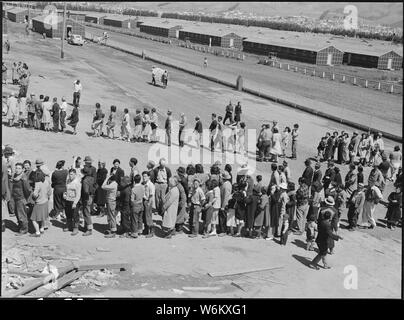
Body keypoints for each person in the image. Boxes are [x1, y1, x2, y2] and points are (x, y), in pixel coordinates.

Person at [11, 163, 31, 235]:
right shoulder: (15, 176)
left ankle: (24, 229)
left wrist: (25, 199)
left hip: (21, 198)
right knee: (17, 213)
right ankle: (20, 226)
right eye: (16, 168)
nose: (17, 170)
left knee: (21, 215)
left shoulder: (23, 178)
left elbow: (28, 190)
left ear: (23, 169)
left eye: (19, 168)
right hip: (15, 197)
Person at [30, 171, 52, 237]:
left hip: (39, 203)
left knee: (33, 219)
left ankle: (37, 232)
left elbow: (35, 194)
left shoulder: (37, 183)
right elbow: (49, 192)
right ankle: (42, 229)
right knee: (43, 217)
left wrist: (32, 195)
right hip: (45, 202)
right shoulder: (46, 181)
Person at [63, 168, 81, 235]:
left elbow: (78, 194)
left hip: (74, 201)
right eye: (69, 174)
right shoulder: (67, 181)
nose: (70, 176)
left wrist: (75, 203)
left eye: (71, 174)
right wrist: (64, 194)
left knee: (75, 215)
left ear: (75, 175)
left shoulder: (77, 183)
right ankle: (69, 226)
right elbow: (66, 189)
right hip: (67, 200)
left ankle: (75, 228)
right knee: (68, 214)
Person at [81, 166, 96, 236]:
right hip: (91, 196)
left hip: (86, 197)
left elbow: (85, 191)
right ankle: (86, 226)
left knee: (86, 213)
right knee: (87, 212)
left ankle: (89, 229)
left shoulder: (85, 180)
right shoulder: (92, 178)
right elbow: (96, 186)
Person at [142, 171, 155, 237]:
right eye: (143, 176)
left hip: (148, 201)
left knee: (148, 216)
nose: (144, 178)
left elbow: (151, 195)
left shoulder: (150, 185)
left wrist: (149, 203)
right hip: (144, 201)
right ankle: (146, 229)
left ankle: (151, 231)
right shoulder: (143, 183)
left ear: (149, 177)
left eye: (145, 176)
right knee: (144, 216)